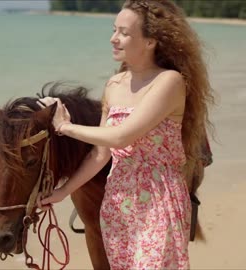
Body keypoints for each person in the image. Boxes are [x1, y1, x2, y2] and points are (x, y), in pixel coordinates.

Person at [37, 0, 214, 269]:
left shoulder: (170, 82)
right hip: (118, 204)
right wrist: (63, 191)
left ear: (150, 41)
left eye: (124, 33)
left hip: (158, 201)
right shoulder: (114, 84)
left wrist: (65, 127)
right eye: (114, 30)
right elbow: (100, 154)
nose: (113, 39)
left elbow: (121, 137)